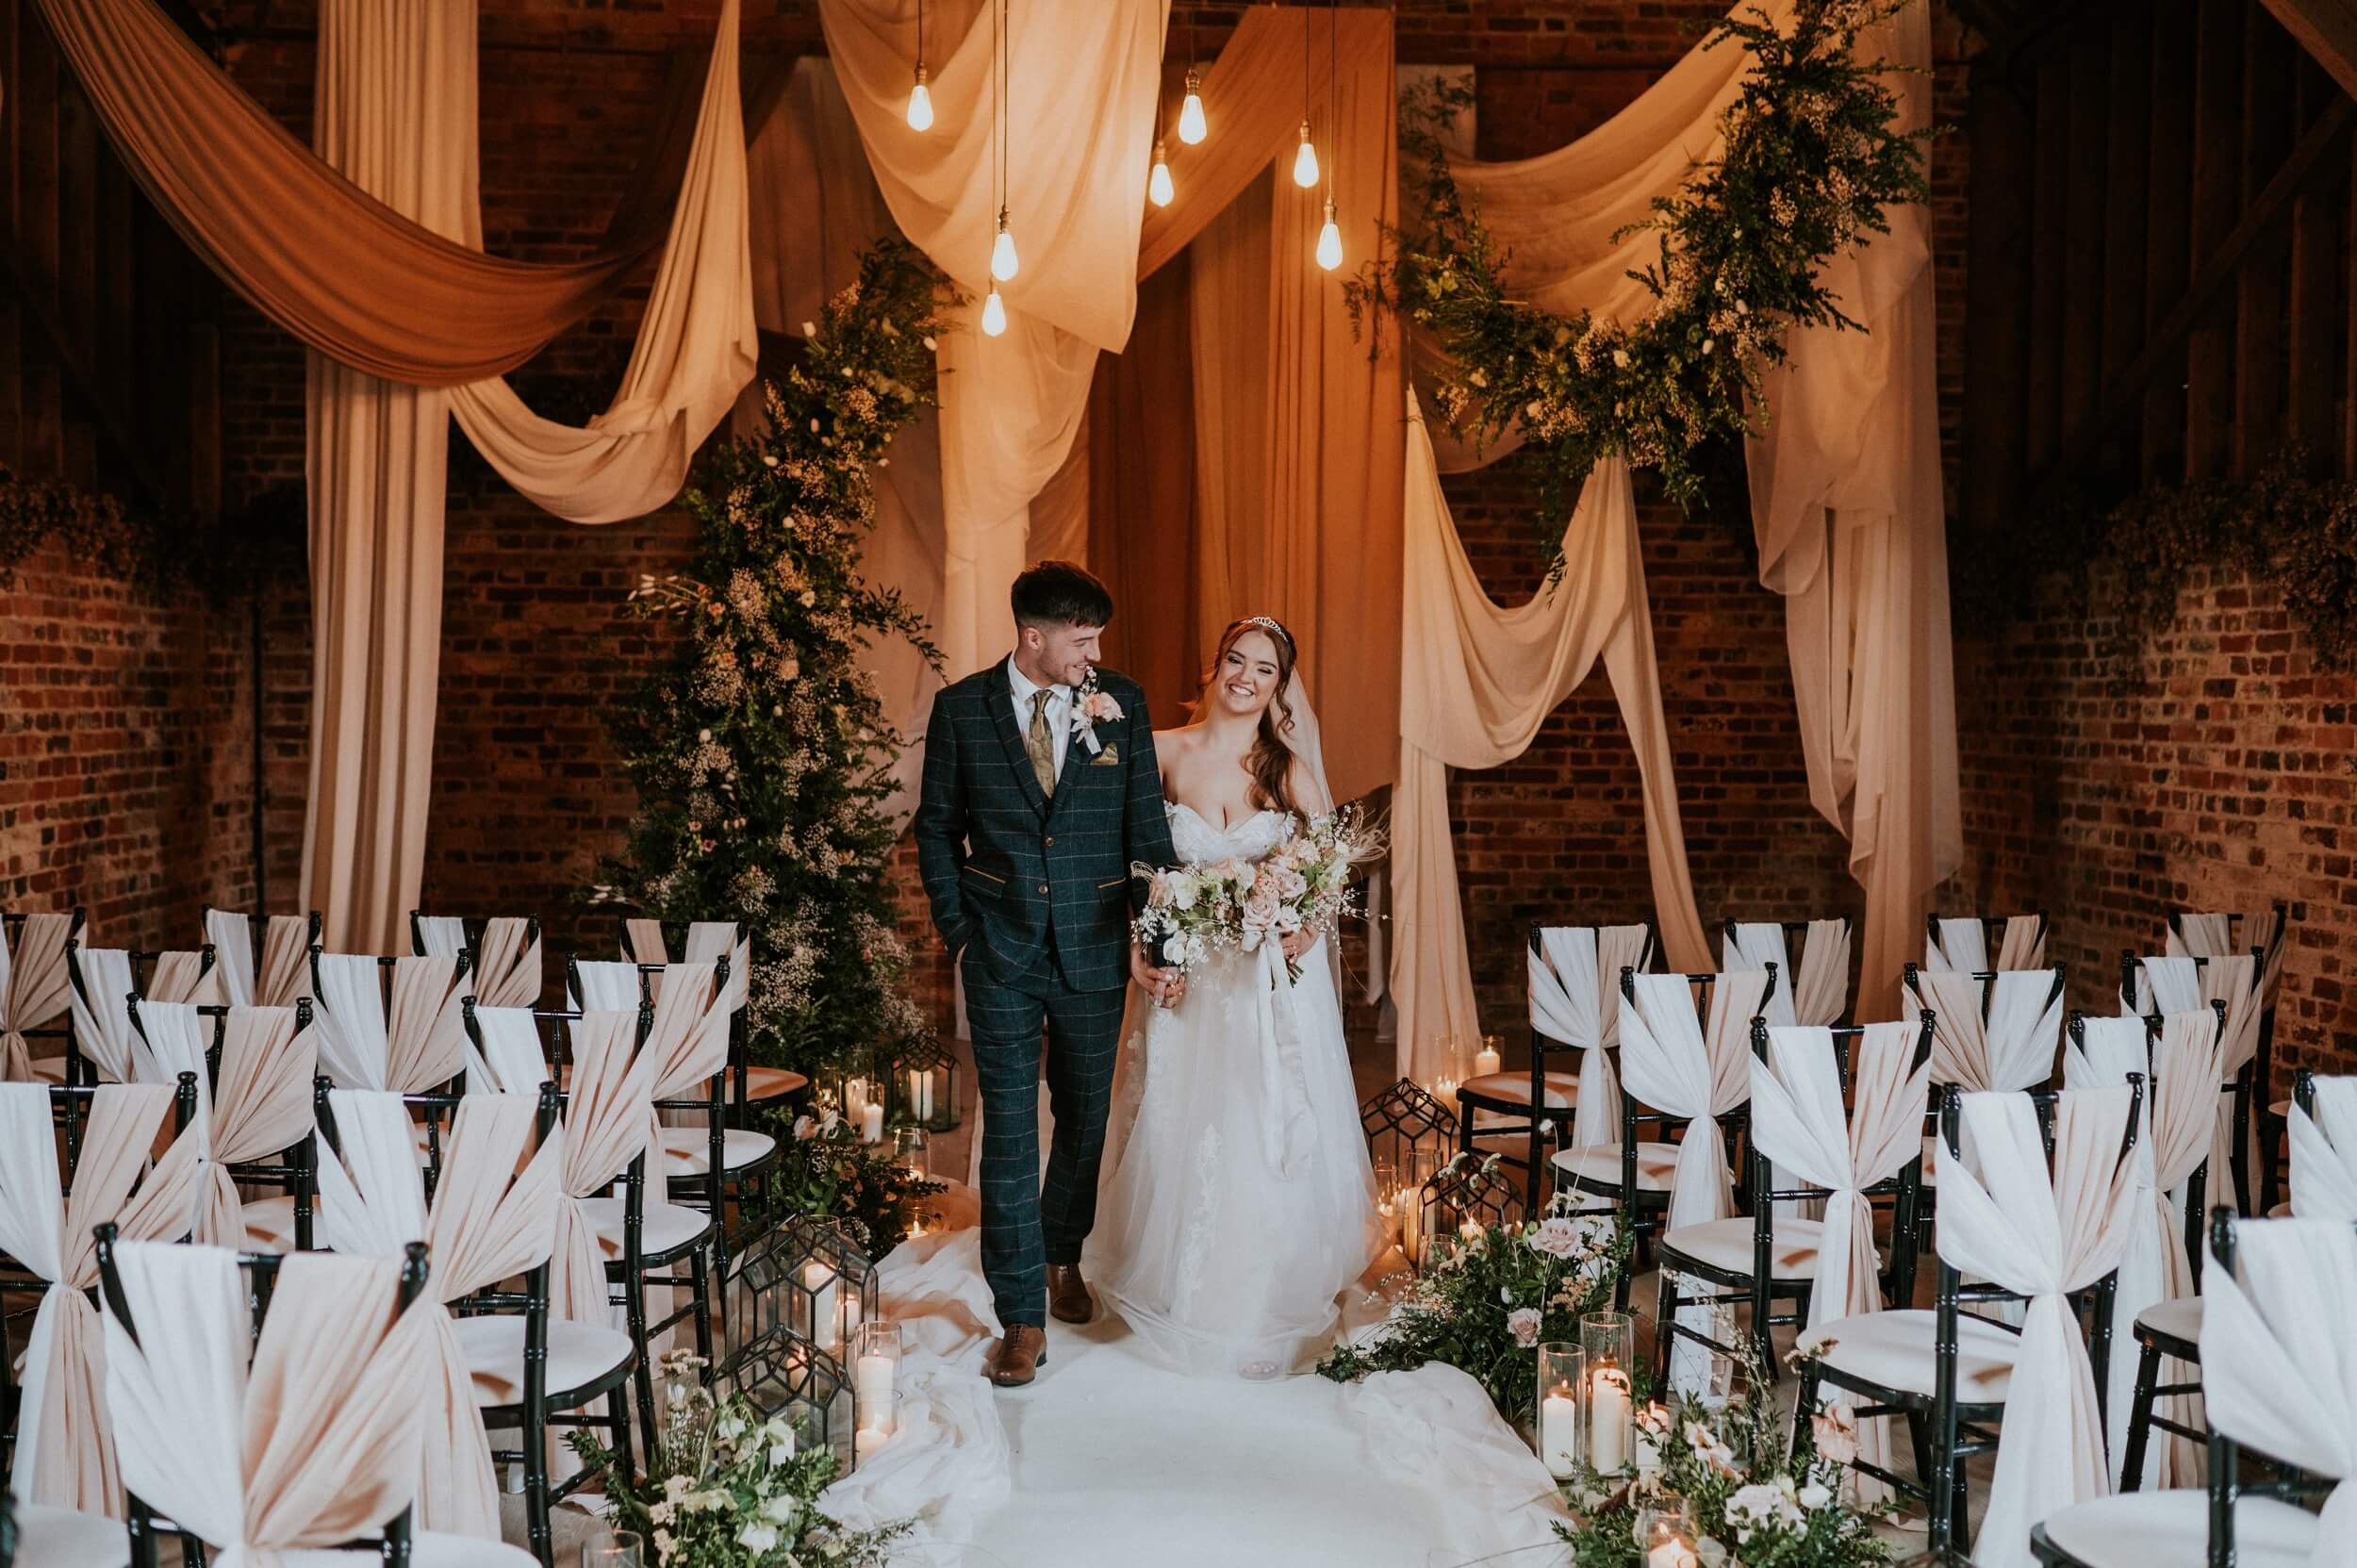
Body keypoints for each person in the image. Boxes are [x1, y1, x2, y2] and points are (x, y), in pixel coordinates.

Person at [1089, 616, 1386, 1378]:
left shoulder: (1288, 770)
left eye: (1263, 668)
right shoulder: (1160, 751)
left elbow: (1328, 873)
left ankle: (1255, 1286)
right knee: (1183, 1120)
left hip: (1260, 991)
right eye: (1235, 660)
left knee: (1256, 1123)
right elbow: (1126, 864)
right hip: (1188, 985)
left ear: (1280, 687)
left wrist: (1308, 925)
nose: (1245, 677)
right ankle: (1177, 1280)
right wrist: (1137, 947)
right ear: (1213, 666)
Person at [912, 560, 1183, 1388]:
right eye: (1083, 636)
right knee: (1009, 1131)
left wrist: (1160, 939)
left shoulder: (1122, 704)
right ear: (1034, 636)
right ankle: (1021, 1314)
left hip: (1098, 947)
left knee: (1085, 1118)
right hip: (1000, 952)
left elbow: (1146, 827)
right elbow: (935, 830)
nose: (1095, 651)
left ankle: (1062, 1253)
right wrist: (962, 932)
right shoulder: (962, 711)